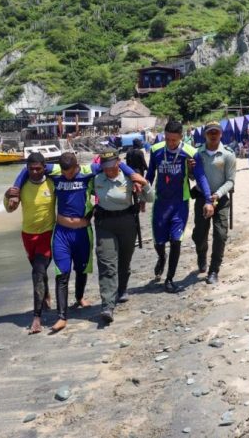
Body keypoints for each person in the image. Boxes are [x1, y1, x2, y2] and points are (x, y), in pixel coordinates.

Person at [10, 153, 145, 332]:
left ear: (76, 167)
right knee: (62, 274)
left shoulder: (88, 171)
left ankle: (80, 297)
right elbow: (28, 169)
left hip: (82, 233)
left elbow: (112, 165)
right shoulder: (56, 171)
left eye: (71, 172)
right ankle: (61, 317)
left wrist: (132, 175)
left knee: (81, 269)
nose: (67, 176)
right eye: (64, 173)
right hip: (62, 233)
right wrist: (16, 188)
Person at [147, 121, 213, 293]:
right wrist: (142, 192)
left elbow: (201, 177)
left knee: (176, 240)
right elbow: (150, 175)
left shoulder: (191, 153)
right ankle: (161, 257)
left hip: (180, 204)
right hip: (161, 203)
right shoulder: (156, 150)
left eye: (174, 140)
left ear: (181, 138)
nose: (170, 143)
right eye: (167, 139)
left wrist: (208, 199)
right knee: (159, 242)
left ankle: (169, 279)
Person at [93, 151, 155, 323]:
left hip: (127, 223)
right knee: (106, 263)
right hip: (104, 225)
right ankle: (107, 305)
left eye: (111, 167)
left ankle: (122, 289)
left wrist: (144, 183)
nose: (108, 171)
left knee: (124, 261)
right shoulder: (96, 179)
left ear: (118, 163)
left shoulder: (130, 178)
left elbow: (150, 198)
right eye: (105, 168)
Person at [3, 153, 54, 334]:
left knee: (37, 273)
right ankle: (45, 291)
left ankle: (36, 318)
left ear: (44, 167)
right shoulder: (21, 186)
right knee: (39, 271)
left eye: (38, 169)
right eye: (31, 169)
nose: (34, 172)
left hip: (47, 235)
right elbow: (10, 209)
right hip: (28, 236)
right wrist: (9, 197)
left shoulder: (52, 183)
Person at [192, 121, 236, 284]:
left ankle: (213, 270)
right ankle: (201, 254)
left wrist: (217, 194)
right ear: (205, 134)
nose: (213, 135)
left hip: (221, 199)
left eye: (216, 132)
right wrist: (190, 170)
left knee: (221, 234)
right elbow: (192, 177)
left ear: (221, 134)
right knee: (199, 235)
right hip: (201, 198)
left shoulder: (228, 154)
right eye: (210, 132)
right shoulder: (198, 153)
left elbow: (231, 181)